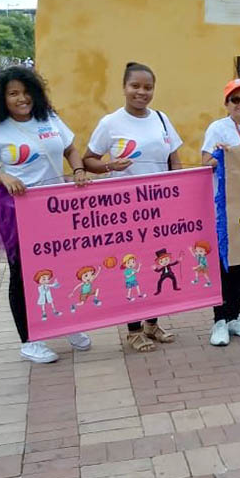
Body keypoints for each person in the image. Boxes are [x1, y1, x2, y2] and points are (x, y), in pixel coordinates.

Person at [0, 66, 93, 363]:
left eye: (26, 92)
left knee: (64, 266)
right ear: (2, 98)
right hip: (17, 209)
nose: (21, 99)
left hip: (56, 207)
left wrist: (77, 170)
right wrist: (4, 178)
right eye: (13, 94)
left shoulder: (49, 119)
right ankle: (30, 339)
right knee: (24, 275)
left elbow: (71, 150)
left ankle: (68, 324)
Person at [84, 62, 183, 352]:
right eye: (135, 86)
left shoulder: (162, 119)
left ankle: (152, 324)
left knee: (157, 262)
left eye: (148, 87)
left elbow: (174, 159)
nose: (142, 92)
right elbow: (88, 159)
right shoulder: (111, 123)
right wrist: (108, 167)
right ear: (124, 88)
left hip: (160, 207)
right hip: (126, 211)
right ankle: (133, 329)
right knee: (132, 267)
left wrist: (177, 191)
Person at [200, 78, 240, 346]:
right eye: (235, 99)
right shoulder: (218, 128)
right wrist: (233, 153)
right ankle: (219, 320)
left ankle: (235, 316)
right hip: (223, 207)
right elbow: (206, 162)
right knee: (223, 264)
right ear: (226, 104)